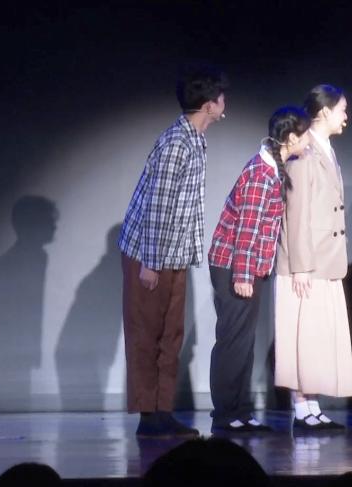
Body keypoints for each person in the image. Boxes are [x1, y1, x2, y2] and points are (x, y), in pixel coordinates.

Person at [118, 63, 228, 438]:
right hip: (149, 254)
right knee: (146, 333)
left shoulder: (196, 140)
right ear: (209, 104)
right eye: (221, 97)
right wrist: (150, 263)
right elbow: (157, 207)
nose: (224, 102)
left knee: (171, 335)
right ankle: (148, 416)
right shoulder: (176, 144)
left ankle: (162, 411)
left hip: (174, 254)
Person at [207, 106, 311, 432]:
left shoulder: (273, 168)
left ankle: (240, 411)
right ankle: (226, 415)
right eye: (304, 134)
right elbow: (247, 229)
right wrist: (243, 275)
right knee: (233, 341)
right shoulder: (261, 174)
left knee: (243, 341)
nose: (308, 140)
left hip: (248, 266)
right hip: (235, 266)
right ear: (290, 137)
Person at [275, 85, 352, 431]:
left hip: (326, 260)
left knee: (317, 337)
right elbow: (295, 212)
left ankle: (312, 405)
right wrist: (301, 267)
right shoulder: (304, 152)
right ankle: (300, 408)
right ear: (324, 112)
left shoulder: (325, 149)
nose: (346, 117)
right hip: (306, 263)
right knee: (303, 336)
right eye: (342, 110)